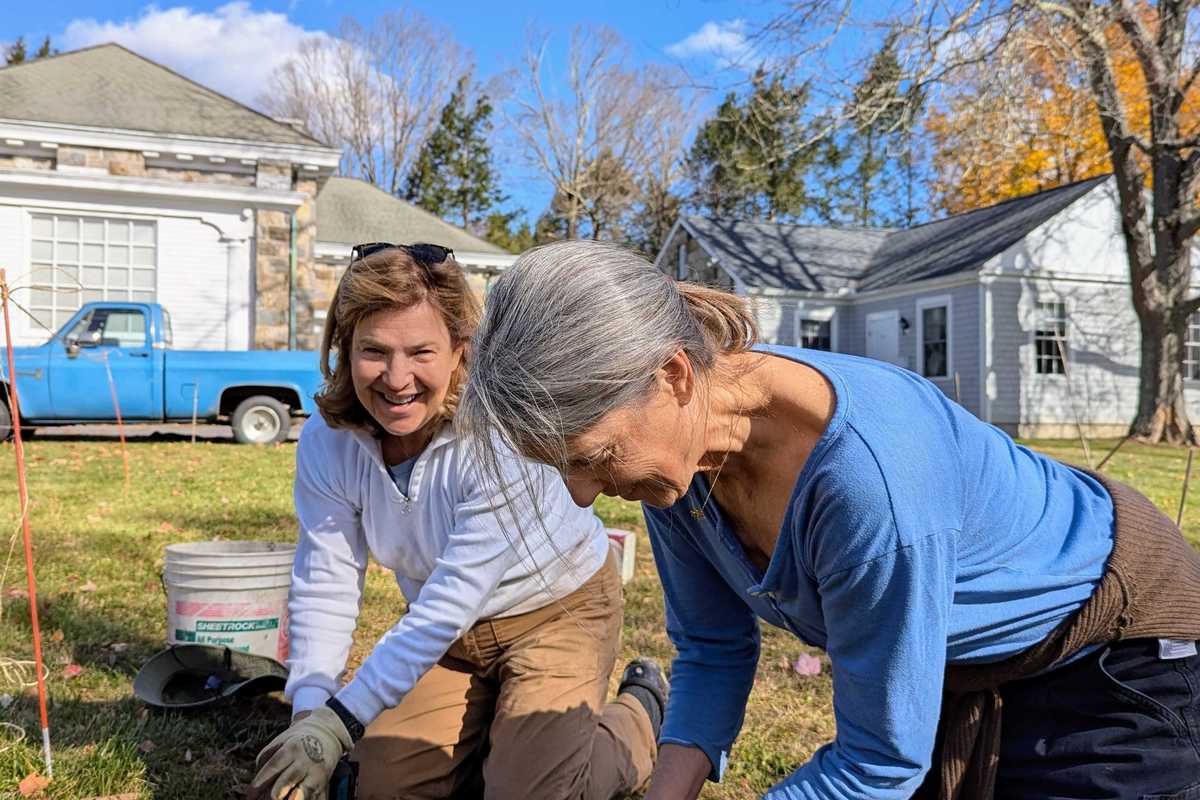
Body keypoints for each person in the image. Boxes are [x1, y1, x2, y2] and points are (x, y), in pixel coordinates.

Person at [458, 239, 1200, 800]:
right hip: (964, 668)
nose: (583, 495)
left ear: (674, 376)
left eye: (592, 456)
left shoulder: (868, 479)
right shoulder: (676, 465)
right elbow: (714, 652)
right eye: (558, 467)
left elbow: (878, 764)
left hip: (1116, 650)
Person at [250, 243, 663, 800]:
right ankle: (503, 738)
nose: (397, 379)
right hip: (448, 638)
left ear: (459, 352)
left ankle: (641, 714)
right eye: (374, 351)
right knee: (379, 789)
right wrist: (309, 713)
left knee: (531, 793)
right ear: (344, 350)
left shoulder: (499, 434)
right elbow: (326, 580)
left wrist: (340, 721)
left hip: (557, 611)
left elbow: (453, 597)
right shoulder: (328, 444)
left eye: (420, 351)